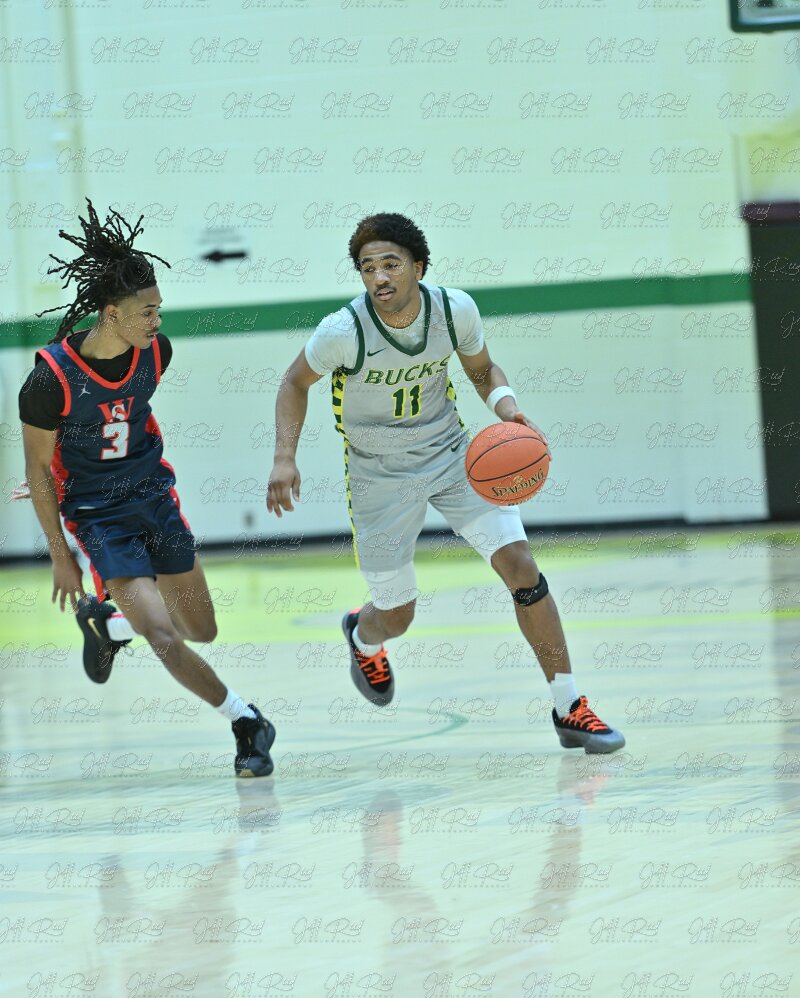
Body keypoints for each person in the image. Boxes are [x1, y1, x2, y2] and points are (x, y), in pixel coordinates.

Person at [267, 212, 624, 754]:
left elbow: (482, 369)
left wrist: (507, 409)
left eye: (391, 264)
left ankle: (569, 706)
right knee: (397, 615)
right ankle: (363, 635)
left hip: (452, 455)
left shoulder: (454, 311)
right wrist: (284, 458)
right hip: (377, 473)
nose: (379, 277)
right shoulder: (343, 330)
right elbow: (294, 382)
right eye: (368, 268)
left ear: (419, 266)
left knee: (522, 568)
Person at [18, 199, 275, 777]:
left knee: (201, 630)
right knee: (162, 635)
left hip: (154, 498)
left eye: (159, 309)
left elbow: (129, 414)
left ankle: (108, 623)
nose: (157, 321)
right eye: (148, 311)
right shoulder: (48, 380)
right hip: (98, 516)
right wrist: (61, 556)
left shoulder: (157, 353)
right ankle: (246, 720)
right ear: (112, 314)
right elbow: (37, 471)